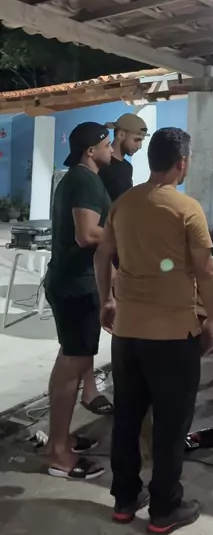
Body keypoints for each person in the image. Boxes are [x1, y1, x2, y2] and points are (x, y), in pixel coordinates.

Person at [94, 127, 213, 535]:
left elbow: (102, 255)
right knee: (170, 424)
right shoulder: (187, 209)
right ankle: (165, 508)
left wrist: (106, 299)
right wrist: (212, 318)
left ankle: (125, 499)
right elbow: (205, 271)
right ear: (182, 163)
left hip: (127, 333)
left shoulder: (123, 204)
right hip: (172, 335)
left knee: (127, 417)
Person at [43, 122, 113, 480]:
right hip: (77, 286)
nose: (111, 149)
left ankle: (60, 439)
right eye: (106, 144)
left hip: (68, 282)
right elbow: (86, 234)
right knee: (73, 365)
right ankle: (59, 453)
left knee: (68, 362)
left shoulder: (76, 178)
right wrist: (125, 233)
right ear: (91, 150)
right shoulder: (85, 180)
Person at [99, 113, 148, 202]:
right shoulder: (101, 164)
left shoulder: (127, 168)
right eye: (136, 140)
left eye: (141, 140)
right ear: (121, 135)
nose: (139, 146)